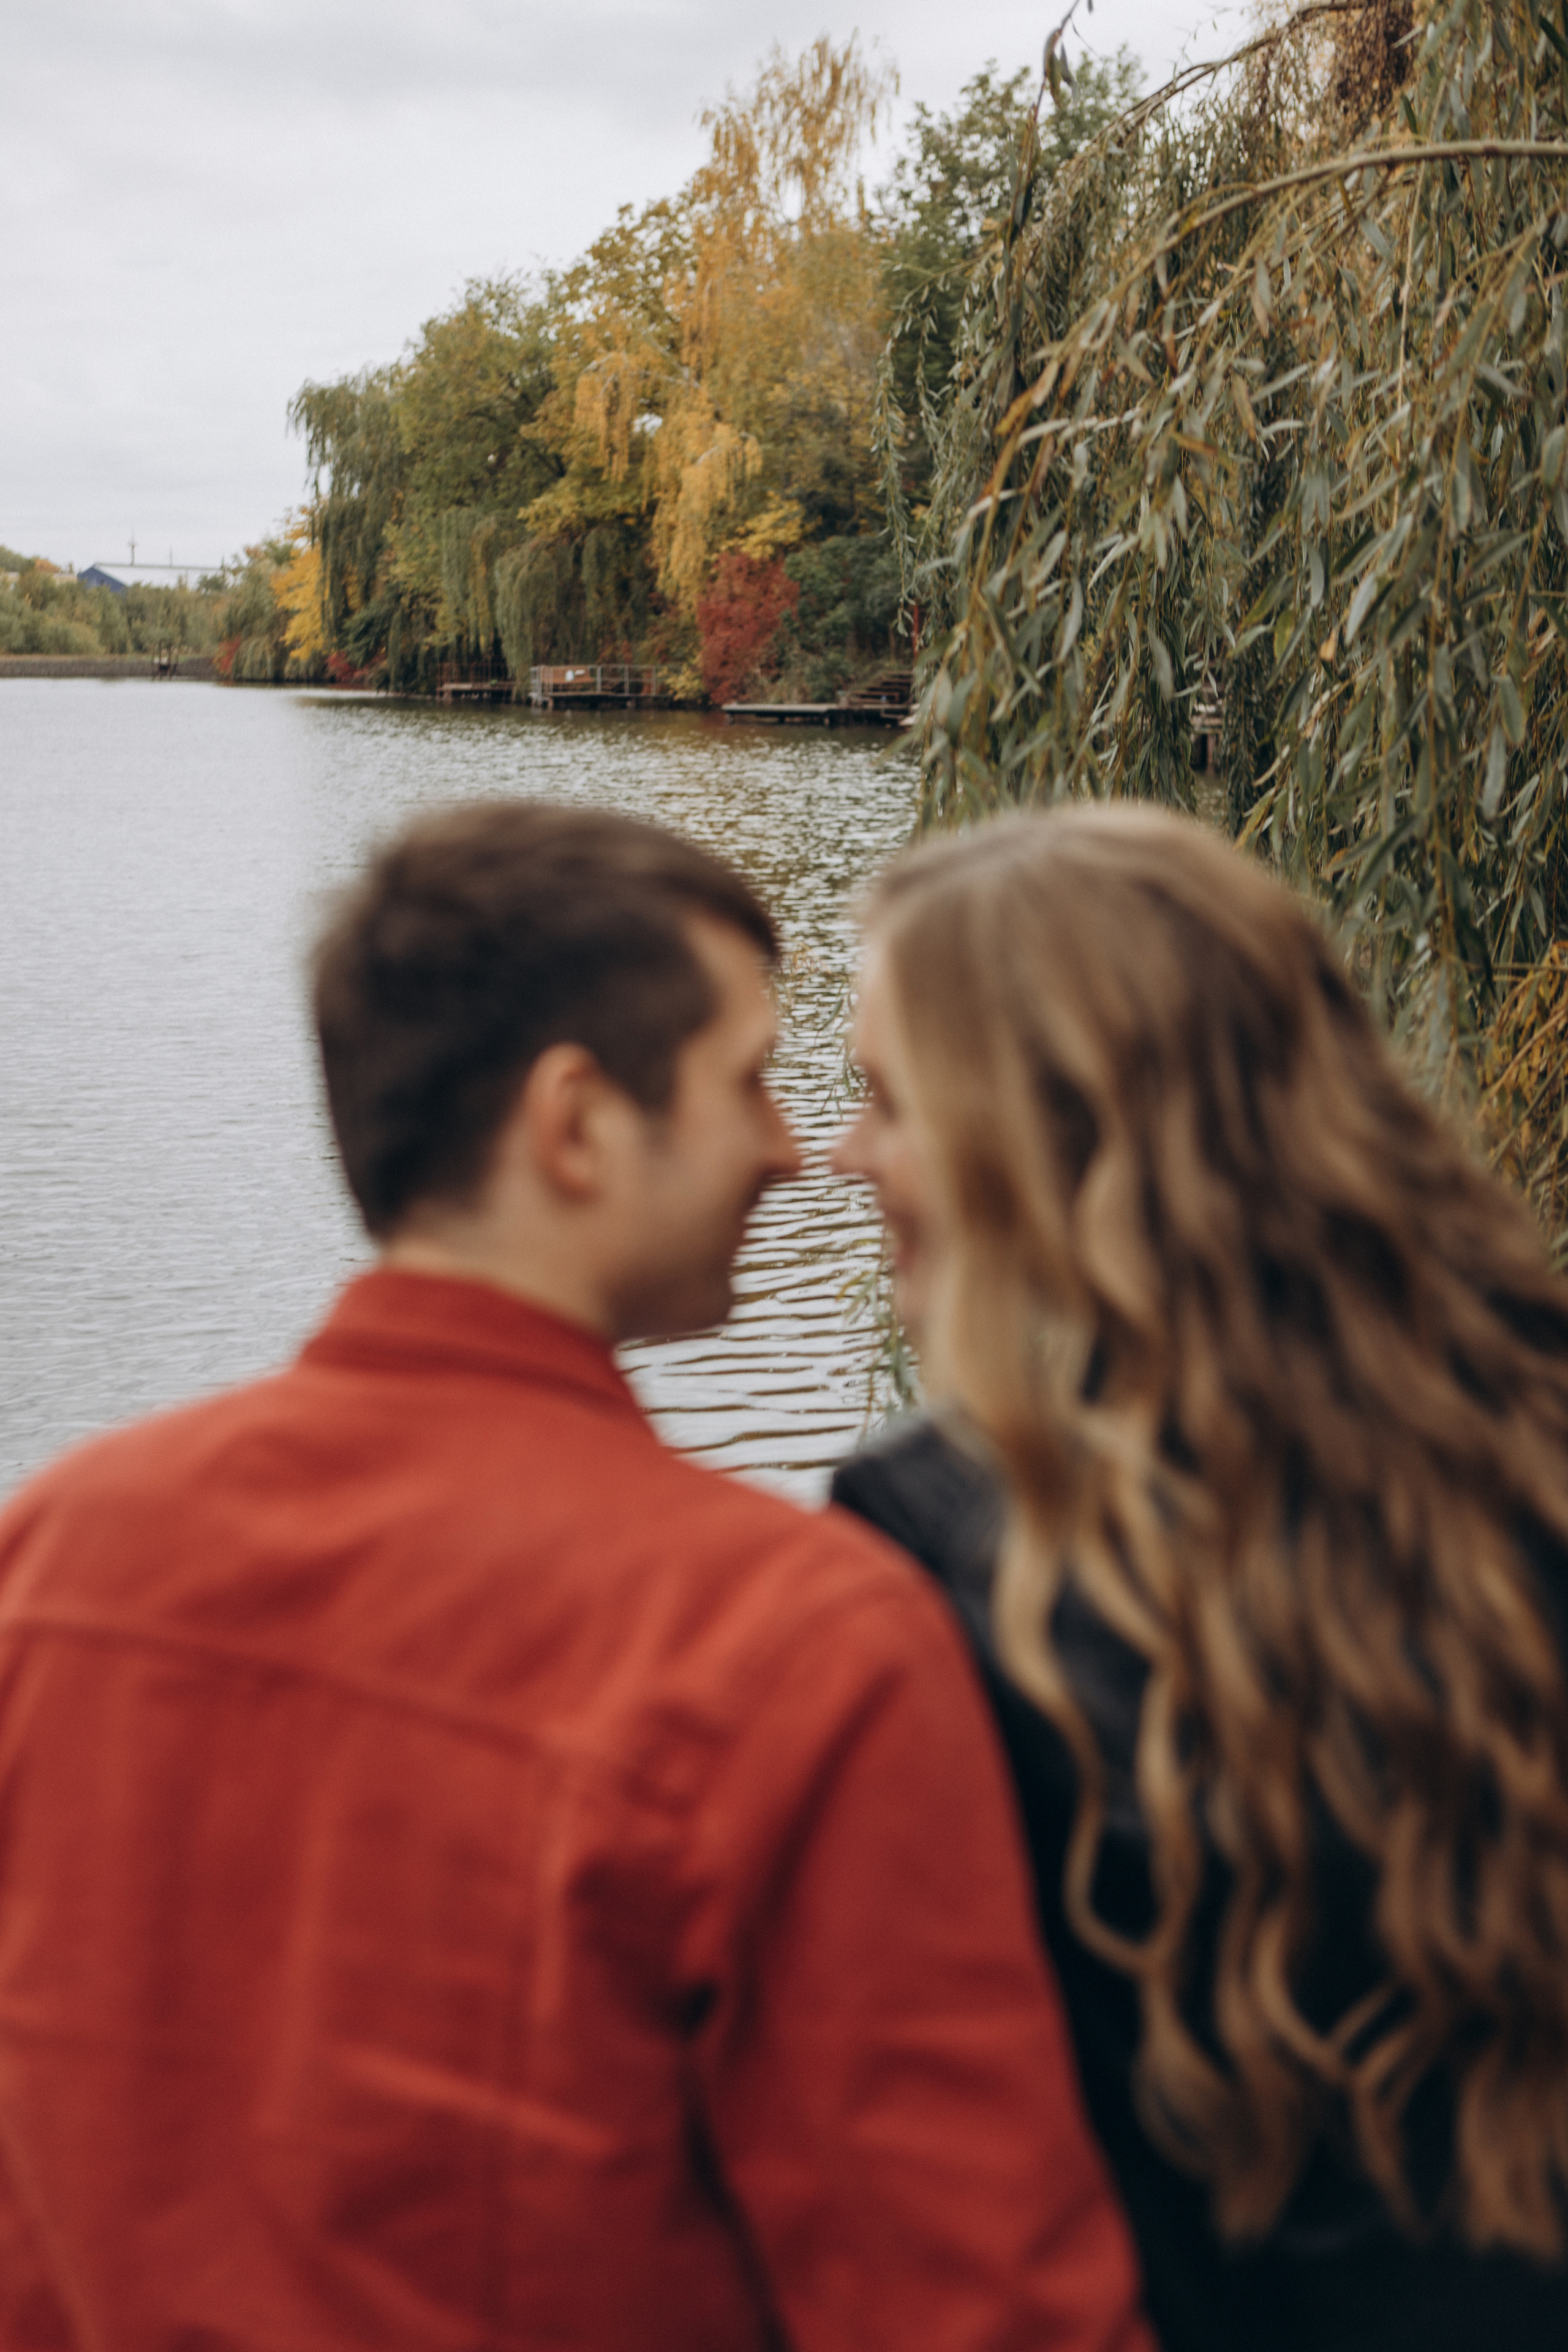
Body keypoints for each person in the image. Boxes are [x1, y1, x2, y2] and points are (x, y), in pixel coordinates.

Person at [0, 801, 1153, 2352]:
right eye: (748, 1080)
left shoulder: (54, 1555)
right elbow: (973, 2308)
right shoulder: (790, 1639)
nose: (791, 1150)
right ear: (576, 1125)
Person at [829, 805, 1568, 2352]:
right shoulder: (1526, 1416)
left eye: (887, 1102)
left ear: (1052, 1130)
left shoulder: (939, 1541)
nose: (846, 1157)